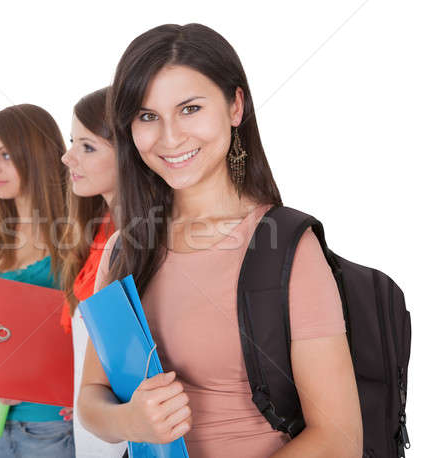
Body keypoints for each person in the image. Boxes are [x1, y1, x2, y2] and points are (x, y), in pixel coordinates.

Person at [78, 23, 363, 457]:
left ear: (235, 106)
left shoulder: (288, 248)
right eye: (148, 116)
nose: (170, 137)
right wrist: (129, 420)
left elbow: (340, 438)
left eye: (190, 109)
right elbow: (92, 399)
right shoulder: (123, 249)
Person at [0, 104, 74, 457]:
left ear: (36, 156)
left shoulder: (74, 234)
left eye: (5, 155)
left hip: (54, 425)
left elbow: (92, 339)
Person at [59, 87, 127, 457]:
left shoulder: (140, 243)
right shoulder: (96, 231)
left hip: (124, 441)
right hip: (87, 433)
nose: (68, 157)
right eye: (73, 142)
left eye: (87, 147)